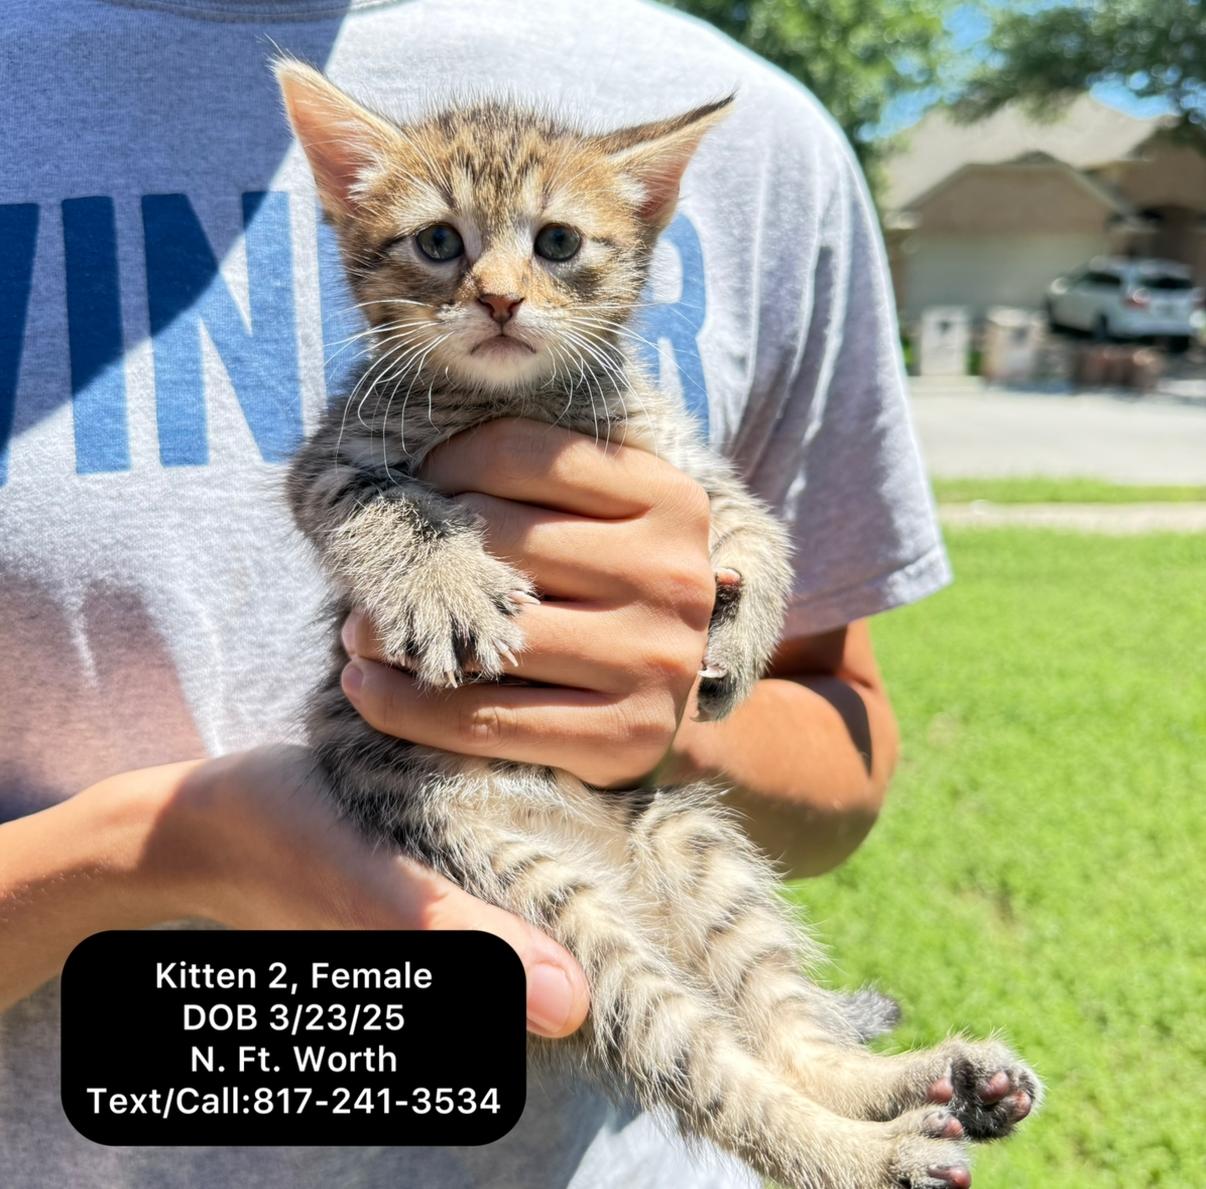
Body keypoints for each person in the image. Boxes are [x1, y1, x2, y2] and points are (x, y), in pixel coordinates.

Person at [0, 0, 950, 1186]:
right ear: (350, 217)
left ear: (642, 223)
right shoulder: (387, 408)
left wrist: (710, 636)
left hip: (610, 818)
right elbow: (336, 485)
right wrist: (148, 853)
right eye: (439, 246)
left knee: (695, 869)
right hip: (419, 789)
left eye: (556, 248)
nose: (499, 287)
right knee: (607, 948)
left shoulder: (764, 150)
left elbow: (742, 547)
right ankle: (804, 1143)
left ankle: (824, 1069)